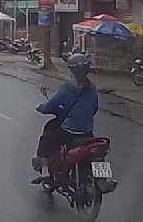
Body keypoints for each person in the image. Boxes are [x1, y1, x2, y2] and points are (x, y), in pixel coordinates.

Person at [32, 53, 99, 181]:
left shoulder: (68, 87)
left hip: (69, 132)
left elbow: (51, 105)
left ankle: (45, 171)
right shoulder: (93, 87)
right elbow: (95, 108)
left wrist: (41, 108)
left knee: (46, 139)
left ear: (72, 70)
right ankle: (102, 177)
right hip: (87, 132)